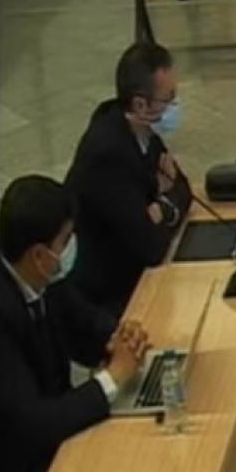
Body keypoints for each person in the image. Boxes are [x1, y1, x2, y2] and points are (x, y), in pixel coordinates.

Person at [0, 175, 151, 472]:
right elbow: (33, 424)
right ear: (39, 255)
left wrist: (117, 337)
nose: (71, 248)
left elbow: (82, 323)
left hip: (59, 435)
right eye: (66, 240)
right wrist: (112, 378)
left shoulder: (41, 275)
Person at [66, 42, 193, 318]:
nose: (175, 106)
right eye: (168, 99)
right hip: (107, 295)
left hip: (133, 266)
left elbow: (184, 187)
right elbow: (151, 248)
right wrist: (165, 200)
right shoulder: (108, 155)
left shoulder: (142, 129)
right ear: (139, 104)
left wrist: (160, 208)